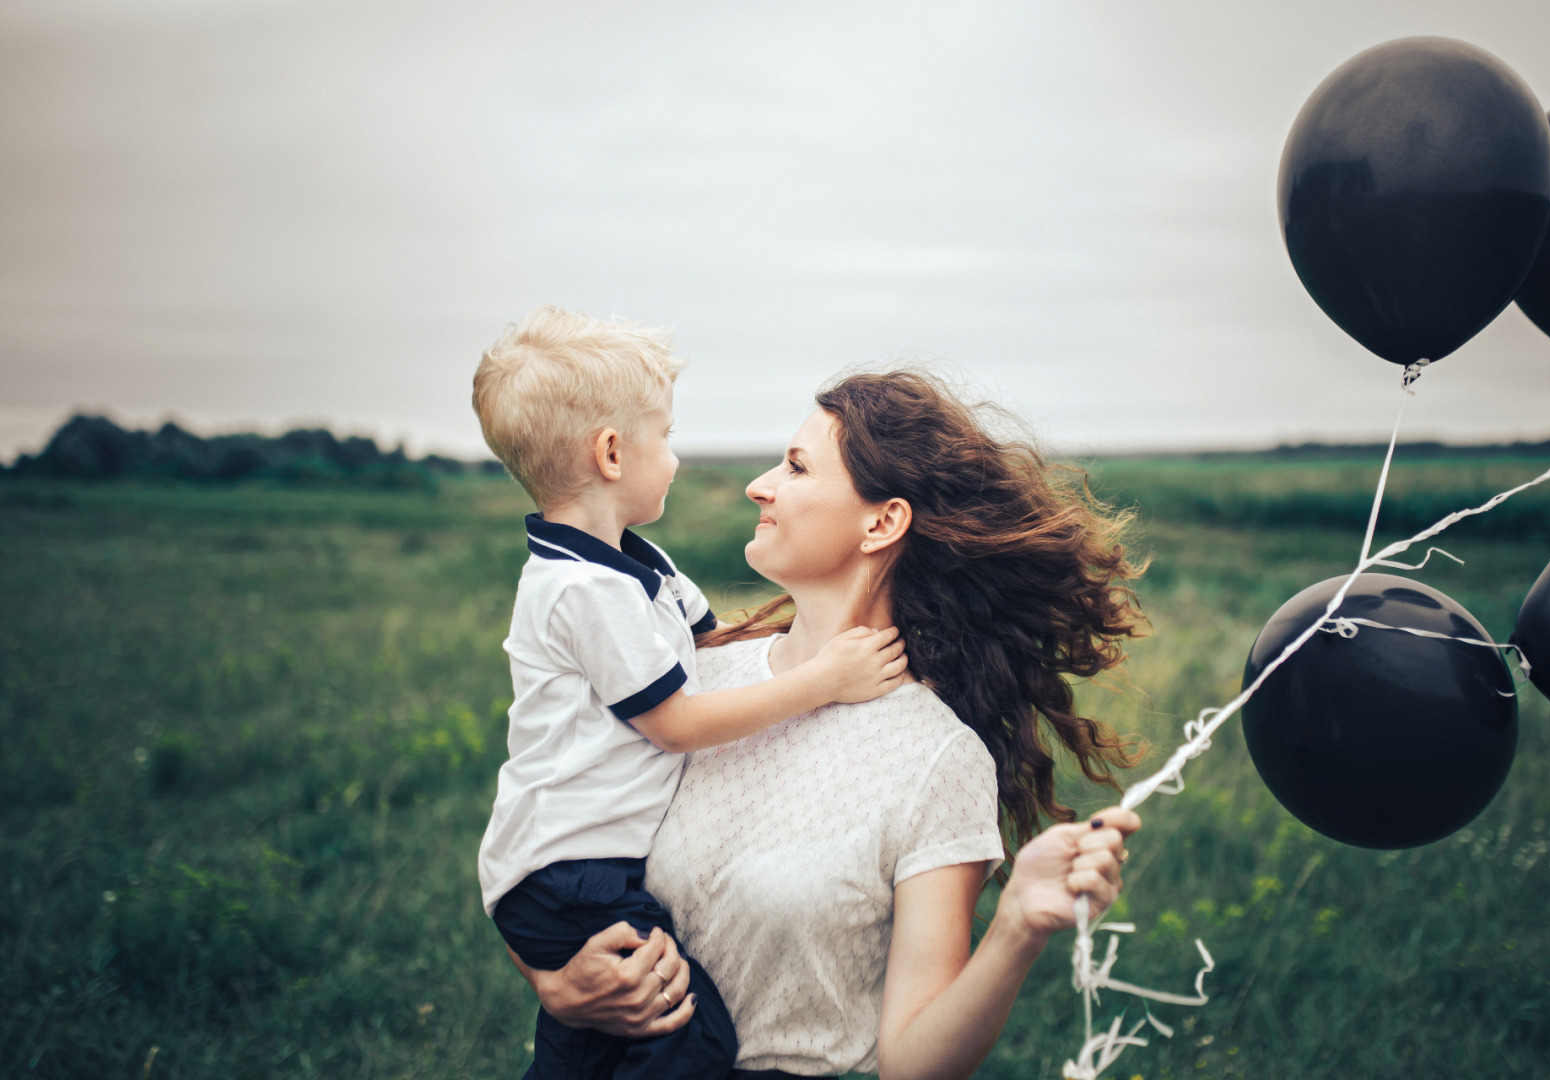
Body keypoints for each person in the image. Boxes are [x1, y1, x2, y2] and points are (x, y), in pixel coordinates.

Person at [509, 368, 1147, 1080]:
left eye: (796, 466)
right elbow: (543, 831)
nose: (759, 485)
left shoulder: (937, 759)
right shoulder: (690, 684)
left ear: (882, 522)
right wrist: (555, 985)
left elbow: (912, 1064)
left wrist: (1017, 928)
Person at [471, 308, 910, 1080]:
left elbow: (715, 647)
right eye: (664, 436)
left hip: (578, 866)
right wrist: (823, 680)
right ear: (612, 452)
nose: (675, 456)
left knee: (595, 1047)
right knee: (688, 1039)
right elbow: (675, 721)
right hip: (569, 873)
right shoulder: (579, 589)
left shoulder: (638, 565)